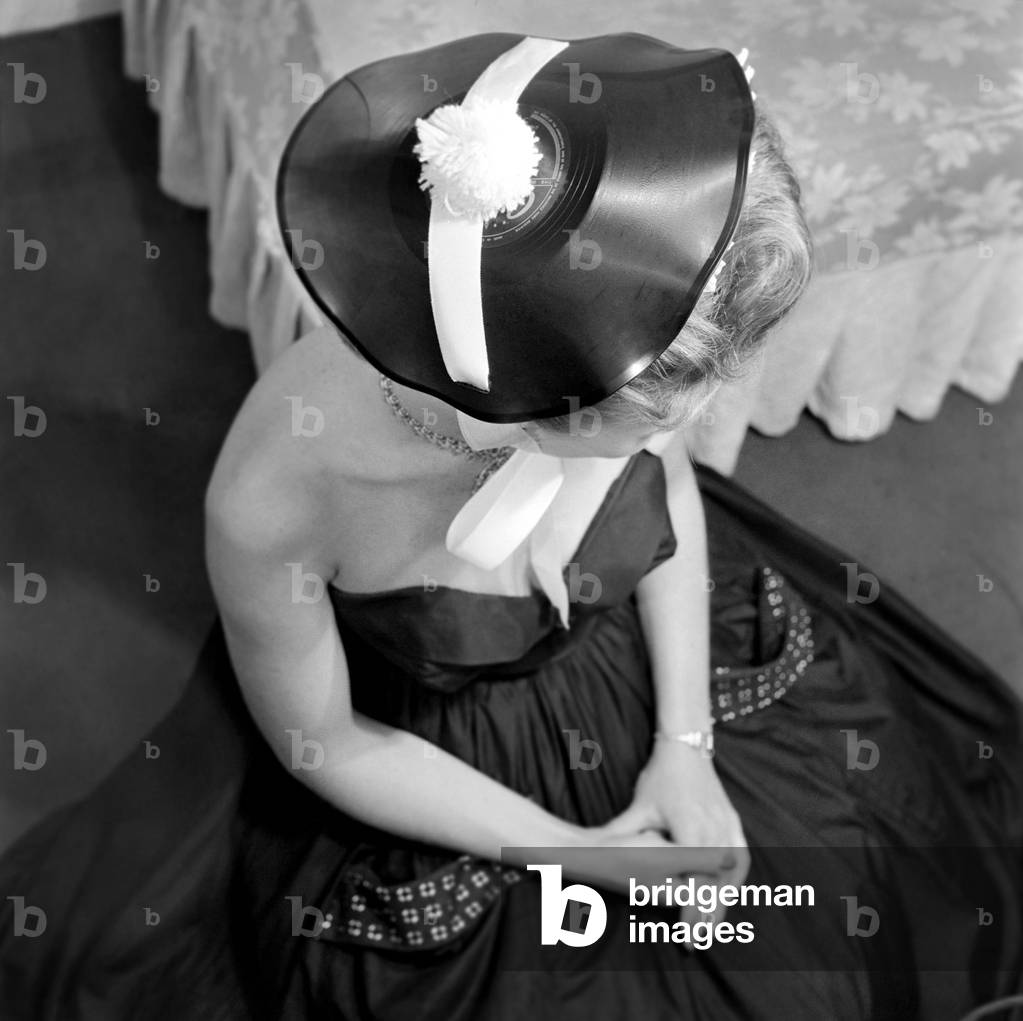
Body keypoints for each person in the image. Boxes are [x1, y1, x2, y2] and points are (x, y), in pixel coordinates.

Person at [2, 30, 1022, 1021]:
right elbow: (324, 741)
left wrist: (686, 740)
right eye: (659, 421)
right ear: (542, 402)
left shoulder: (609, 334)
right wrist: (576, 853)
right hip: (438, 750)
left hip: (641, 654)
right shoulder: (276, 495)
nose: (691, 429)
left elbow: (666, 504)